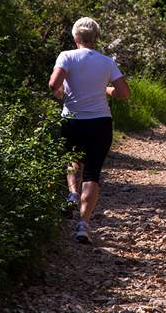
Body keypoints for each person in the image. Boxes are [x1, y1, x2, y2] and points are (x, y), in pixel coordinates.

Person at [49, 17, 130, 244]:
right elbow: (124, 93)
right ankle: (83, 225)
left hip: (72, 120)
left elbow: (53, 83)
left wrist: (61, 94)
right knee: (93, 172)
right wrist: (106, 90)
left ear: (75, 38)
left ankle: (72, 194)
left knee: (73, 158)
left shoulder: (66, 56)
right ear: (96, 38)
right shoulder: (107, 62)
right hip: (100, 123)